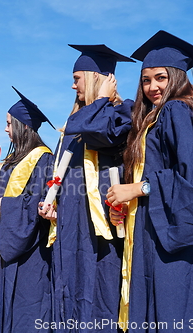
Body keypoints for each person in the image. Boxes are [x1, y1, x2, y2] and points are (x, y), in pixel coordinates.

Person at [106, 30, 193, 332]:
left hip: (175, 241)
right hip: (154, 230)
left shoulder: (176, 111)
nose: (152, 87)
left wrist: (138, 188)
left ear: (177, 77)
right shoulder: (155, 118)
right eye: (146, 80)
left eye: (160, 78)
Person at [38, 45, 134, 332]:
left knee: (99, 293)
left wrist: (103, 97)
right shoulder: (77, 121)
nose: (72, 84)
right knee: (68, 291)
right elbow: (63, 171)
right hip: (71, 225)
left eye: (78, 78)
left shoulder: (123, 112)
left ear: (98, 78)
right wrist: (53, 201)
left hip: (103, 225)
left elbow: (99, 132)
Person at [0, 87, 54, 333]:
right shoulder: (14, 159)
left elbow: (41, 200)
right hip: (4, 244)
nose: (5, 129)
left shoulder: (43, 159)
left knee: (25, 310)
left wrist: (4, 203)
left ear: (22, 126)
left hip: (29, 253)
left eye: (9, 123)